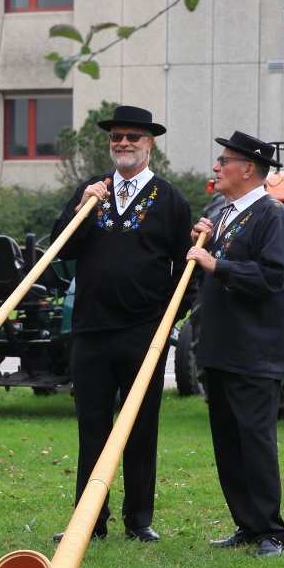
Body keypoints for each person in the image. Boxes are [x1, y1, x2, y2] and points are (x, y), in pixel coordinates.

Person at [49, 104, 194, 543]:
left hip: (144, 334)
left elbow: (187, 270)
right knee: (92, 428)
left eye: (133, 137)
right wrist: (82, 207)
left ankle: (139, 520)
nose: (123, 143)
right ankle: (89, 520)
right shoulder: (91, 192)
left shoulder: (170, 199)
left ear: (150, 144)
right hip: (91, 329)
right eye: (116, 137)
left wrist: (168, 319)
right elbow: (61, 248)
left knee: (140, 427)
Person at [184, 130, 284, 558]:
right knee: (228, 443)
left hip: (255, 352)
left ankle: (270, 531)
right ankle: (247, 525)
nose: (216, 167)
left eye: (224, 161)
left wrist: (215, 262)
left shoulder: (273, 215)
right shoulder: (224, 214)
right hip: (220, 348)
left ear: (248, 168)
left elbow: (272, 276)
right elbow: (216, 268)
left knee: (255, 442)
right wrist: (202, 242)